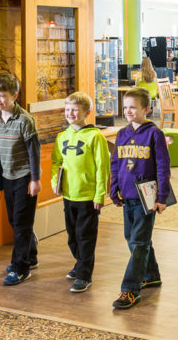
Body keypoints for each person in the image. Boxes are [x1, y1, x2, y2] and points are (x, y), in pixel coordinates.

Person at [110, 87, 171, 310]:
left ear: (147, 108)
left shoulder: (155, 134)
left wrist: (162, 197)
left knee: (138, 242)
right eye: (125, 107)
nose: (128, 111)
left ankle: (130, 290)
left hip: (147, 198)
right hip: (127, 195)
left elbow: (164, 167)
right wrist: (113, 187)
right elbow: (116, 163)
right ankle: (151, 274)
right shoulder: (122, 134)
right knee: (132, 238)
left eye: (133, 107)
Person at [52, 92, 110, 293]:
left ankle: (85, 275)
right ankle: (80, 264)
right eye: (67, 110)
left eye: (75, 110)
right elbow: (56, 163)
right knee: (72, 237)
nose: (70, 113)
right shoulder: (62, 137)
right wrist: (55, 181)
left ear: (87, 112)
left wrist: (100, 194)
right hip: (69, 195)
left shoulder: (95, 137)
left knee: (85, 237)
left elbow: (103, 168)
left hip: (88, 197)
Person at [0, 73, 41, 286]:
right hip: (7, 176)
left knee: (21, 222)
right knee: (15, 220)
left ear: (14, 96)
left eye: (2, 96)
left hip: (24, 176)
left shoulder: (25, 120)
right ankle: (31, 255)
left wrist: (35, 179)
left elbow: (34, 152)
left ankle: (21, 268)